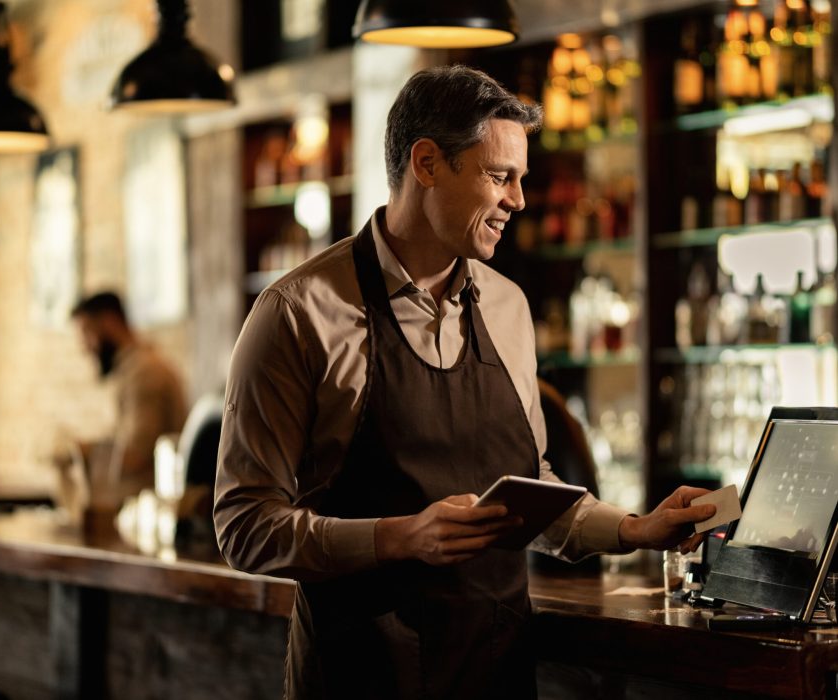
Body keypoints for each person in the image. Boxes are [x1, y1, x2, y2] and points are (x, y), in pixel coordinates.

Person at [214, 65, 716, 700]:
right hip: (359, 678)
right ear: (427, 164)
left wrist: (633, 529)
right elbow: (243, 526)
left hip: (497, 675)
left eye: (521, 181)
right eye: (499, 177)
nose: (519, 201)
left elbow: (534, 493)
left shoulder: (507, 307)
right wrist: (400, 536)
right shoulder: (297, 311)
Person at [60, 291, 188, 510]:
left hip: (148, 513)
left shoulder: (144, 373)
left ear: (109, 323)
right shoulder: (132, 371)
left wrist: (80, 451)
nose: (84, 347)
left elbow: (135, 455)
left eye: (87, 333)